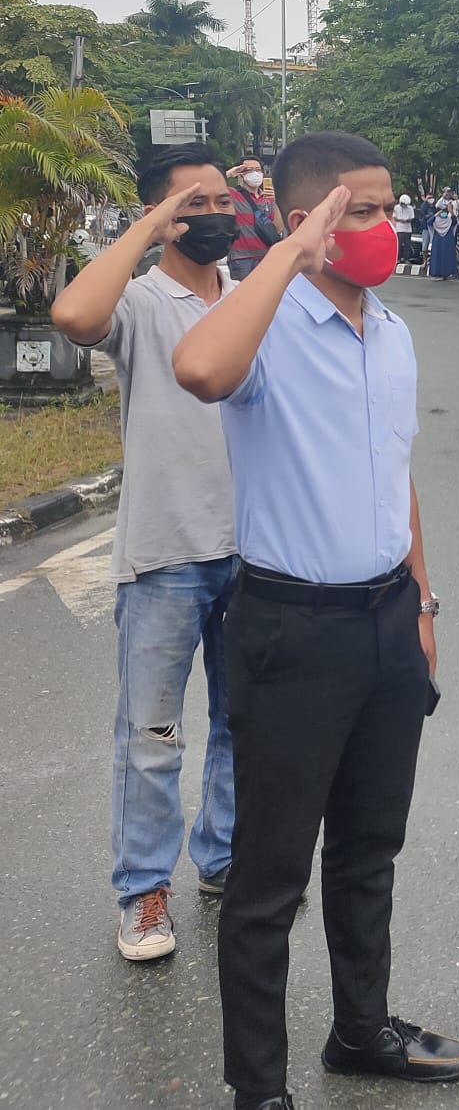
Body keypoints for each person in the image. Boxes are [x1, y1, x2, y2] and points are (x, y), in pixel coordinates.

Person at [173, 132, 459, 1110]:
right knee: (268, 886)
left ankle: (361, 1030)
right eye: (359, 210)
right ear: (307, 218)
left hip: (388, 621)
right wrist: (282, 263)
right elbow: (199, 370)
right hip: (291, 632)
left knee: (367, 850)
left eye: (389, 208)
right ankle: (257, 1089)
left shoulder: (391, 331)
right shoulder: (263, 323)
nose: (382, 229)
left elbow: (399, 476)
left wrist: (421, 604)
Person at [51, 146, 240, 963]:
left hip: (255, 553)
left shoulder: (249, 297)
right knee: (152, 736)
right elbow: (72, 319)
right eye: (196, 202)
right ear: (164, 216)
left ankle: (226, 858)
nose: (218, 212)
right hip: (166, 556)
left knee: (245, 724)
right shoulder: (139, 300)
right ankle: (143, 891)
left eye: (227, 197)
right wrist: (146, 229)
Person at [226, 159, 282, 281]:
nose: (255, 173)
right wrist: (230, 173)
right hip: (241, 258)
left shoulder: (268, 198)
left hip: (266, 257)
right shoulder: (233, 195)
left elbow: (278, 228)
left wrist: (277, 202)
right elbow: (212, 188)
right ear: (241, 174)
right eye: (249, 170)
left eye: (258, 170)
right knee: (243, 296)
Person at [426, 188, 459, 279]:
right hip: (446, 238)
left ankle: (442, 273)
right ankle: (443, 273)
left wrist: (436, 215)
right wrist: (448, 212)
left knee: (442, 256)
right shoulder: (446, 219)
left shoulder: (443, 219)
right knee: (443, 256)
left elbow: (429, 222)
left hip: (439, 239)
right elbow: (454, 221)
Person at [393, 193, 416, 263]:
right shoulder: (396, 208)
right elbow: (394, 217)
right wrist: (401, 220)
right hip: (399, 229)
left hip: (408, 229)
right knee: (399, 244)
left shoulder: (410, 208)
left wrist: (407, 220)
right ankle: (398, 259)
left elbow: (412, 218)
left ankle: (405, 259)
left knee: (407, 245)